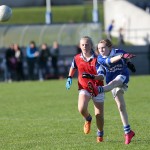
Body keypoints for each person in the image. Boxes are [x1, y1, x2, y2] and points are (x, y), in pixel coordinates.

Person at [85, 39, 135, 144]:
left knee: (113, 83)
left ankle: (98, 90)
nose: (101, 50)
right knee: (121, 106)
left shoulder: (119, 51)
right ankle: (128, 132)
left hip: (122, 76)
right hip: (111, 81)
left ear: (110, 47)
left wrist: (129, 63)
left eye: (103, 47)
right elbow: (108, 64)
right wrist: (93, 77)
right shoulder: (100, 59)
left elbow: (126, 58)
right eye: (99, 48)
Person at [65, 36, 105, 143]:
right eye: (82, 44)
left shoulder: (98, 59)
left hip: (97, 88)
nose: (84, 46)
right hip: (84, 87)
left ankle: (100, 133)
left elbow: (101, 76)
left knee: (99, 116)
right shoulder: (77, 57)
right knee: (81, 108)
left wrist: (92, 77)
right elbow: (73, 67)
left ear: (91, 45)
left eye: (87, 44)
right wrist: (69, 77)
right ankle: (88, 119)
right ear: (79, 46)